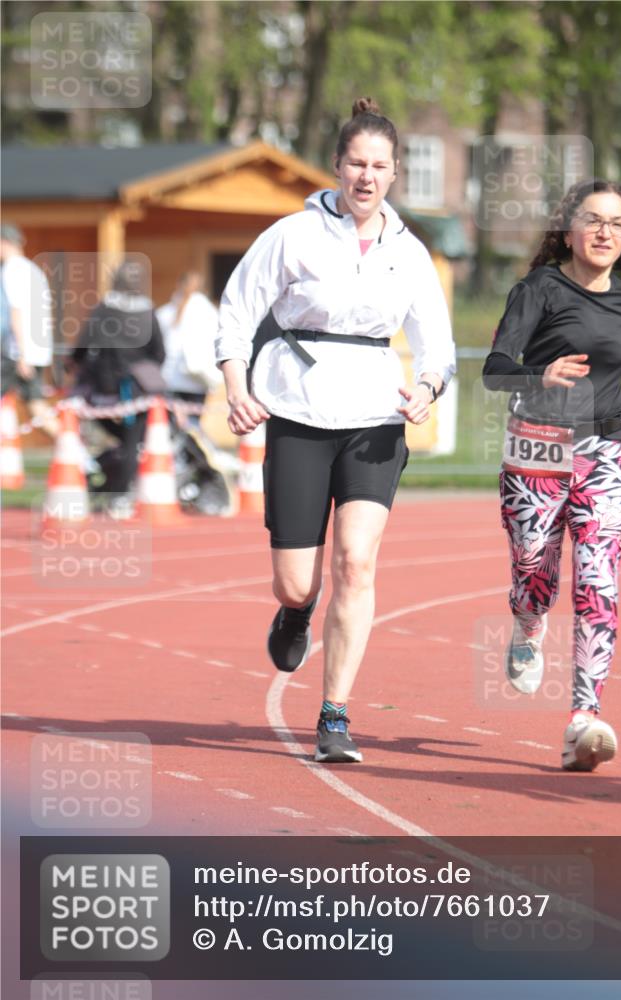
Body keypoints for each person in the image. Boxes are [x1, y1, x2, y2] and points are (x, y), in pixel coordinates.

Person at [216, 97, 456, 763]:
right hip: (296, 409)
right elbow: (235, 314)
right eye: (356, 162)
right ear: (336, 165)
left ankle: (335, 715)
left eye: (380, 165)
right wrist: (237, 387)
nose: (366, 176)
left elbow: (434, 346)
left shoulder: (408, 252)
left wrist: (428, 390)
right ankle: (294, 612)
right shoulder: (290, 235)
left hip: (374, 417)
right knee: (299, 581)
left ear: (394, 172)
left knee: (357, 559)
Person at [482, 179, 621, 772]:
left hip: (609, 446)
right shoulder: (538, 289)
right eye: (594, 220)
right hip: (539, 445)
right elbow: (494, 371)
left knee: (598, 581)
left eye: (618, 223)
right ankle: (528, 622)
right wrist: (539, 373)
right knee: (535, 564)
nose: (606, 232)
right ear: (568, 228)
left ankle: (583, 719)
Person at [70, 259, 165, 515]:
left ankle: (118, 490)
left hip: (106, 388)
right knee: (131, 442)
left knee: (125, 441)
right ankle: (120, 494)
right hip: (137, 387)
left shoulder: (105, 309)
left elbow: (82, 346)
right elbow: (159, 351)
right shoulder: (147, 311)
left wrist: (76, 366)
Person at [0, 222, 59, 438]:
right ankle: (80, 457)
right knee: (37, 407)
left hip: (17, 352)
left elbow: (16, 312)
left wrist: (23, 354)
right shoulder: (32, 270)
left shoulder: (12, 270)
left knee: (38, 408)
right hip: (35, 350)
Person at [157, 271, 222, 425]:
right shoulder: (211, 312)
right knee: (192, 427)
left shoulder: (166, 312)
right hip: (199, 379)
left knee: (171, 427)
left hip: (170, 378)